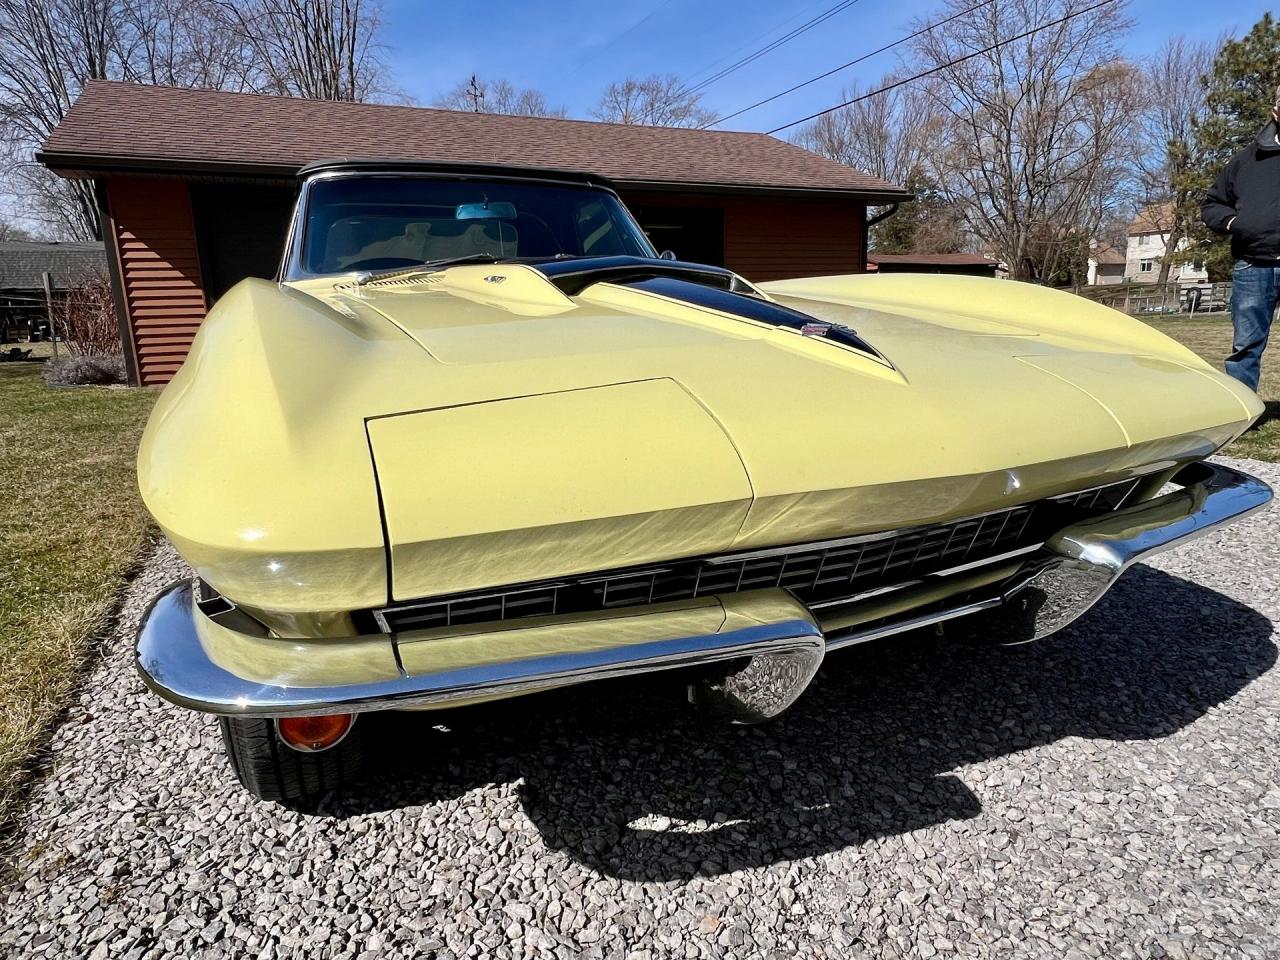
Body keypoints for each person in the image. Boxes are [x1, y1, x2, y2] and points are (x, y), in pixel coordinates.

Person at [1201, 86, 1280, 392]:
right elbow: (1212, 204)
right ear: (1276, 114)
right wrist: (1236, 222)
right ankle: (1243, 411)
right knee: (1246, 346)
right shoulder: (1245, 161)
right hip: (1252, 267)